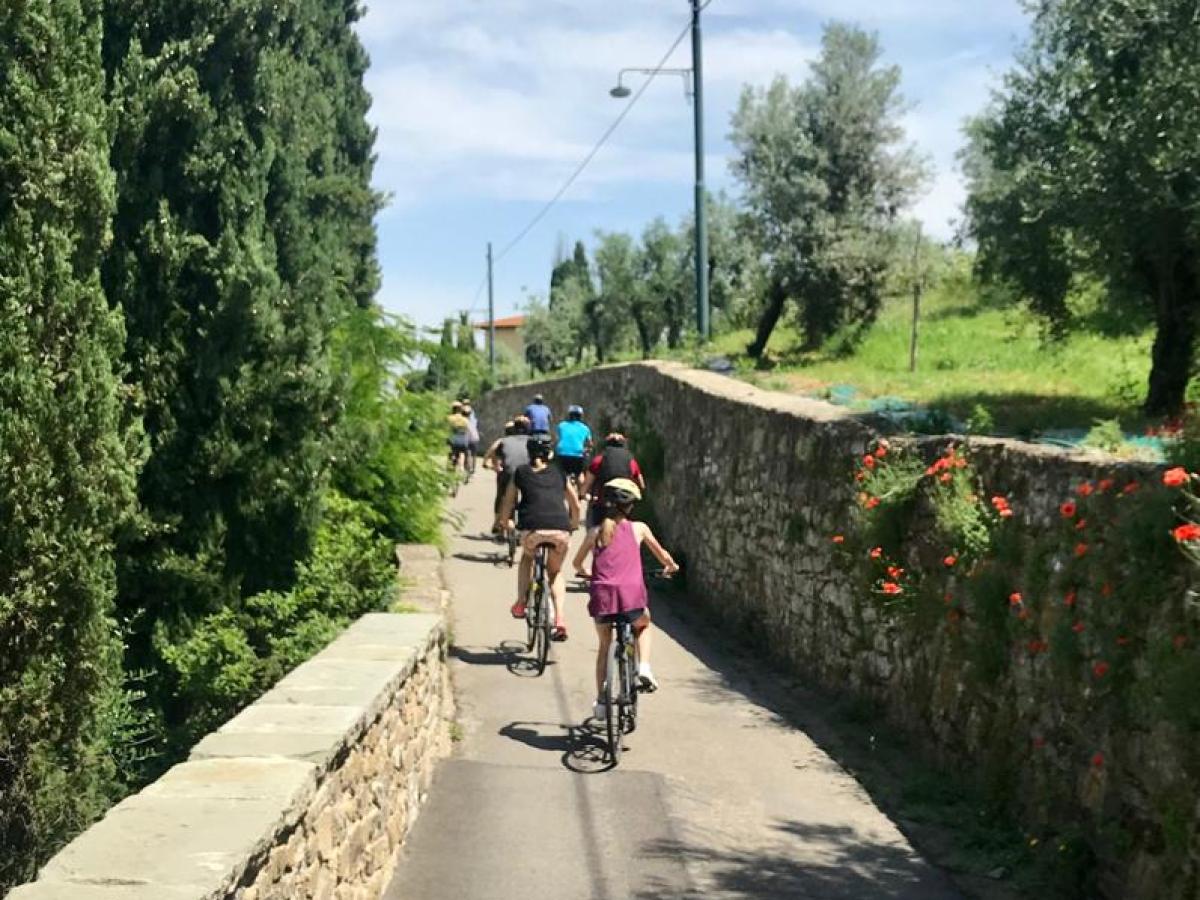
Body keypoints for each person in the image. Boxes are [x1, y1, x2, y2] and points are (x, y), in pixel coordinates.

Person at [572, 478, 678, 720]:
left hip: (602, 596)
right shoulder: (639, 529)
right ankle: (644, 667)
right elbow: (663, 556)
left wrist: (586, 572)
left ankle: (602, 702)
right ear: (630, 506)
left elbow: (577, 563)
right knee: (644, 625)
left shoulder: (595, 532)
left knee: (604, 645)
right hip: (630, 595)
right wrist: (671, 566)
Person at [495, 434, 580, 640]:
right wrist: (574, 523)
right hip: (559, 529)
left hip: (532, 528)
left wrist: (504, 521)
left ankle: (521, 603)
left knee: (527, 558)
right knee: (555, 571)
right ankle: (559, 618)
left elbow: (508, 501)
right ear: (549, 453)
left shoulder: (521, 472)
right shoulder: (560, 473)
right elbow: (575, 503)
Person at [579, 433, 646, 526]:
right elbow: (641, 485)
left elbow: (587, 483)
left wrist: (582, 495)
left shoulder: (599, 459)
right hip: (624, 504)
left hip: (603, 502)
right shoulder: (631, 461)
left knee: (596, 529)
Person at [483, 415, 530, 516]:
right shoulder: (531, 441)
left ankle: (498, 517)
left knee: (501, 494)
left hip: (508, 473)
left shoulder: (503, 441)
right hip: (526, 473)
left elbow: (493, 452)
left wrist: (494, 466)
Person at [555, 405, 593, 489]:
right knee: (579, 474)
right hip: (578, 454)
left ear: (569, 415)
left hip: (563, 454)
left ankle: (562, 490)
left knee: (562, 474)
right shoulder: (585, 428)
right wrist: (586, 451)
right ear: (580, 416)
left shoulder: (561, 425)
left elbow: (557, 440)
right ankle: (582, 493)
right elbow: (590, 444)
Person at [446, 401, 471, 478]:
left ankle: (450, 473)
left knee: (451, 455)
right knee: (466, 454)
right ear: (460, 409)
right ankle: (466, 469)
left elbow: (447, 430)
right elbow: (467, 431)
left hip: (453, 441)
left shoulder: (449, 418)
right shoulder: (465, 419)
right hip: (463, 441)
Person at [461, 399, 481, 473]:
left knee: (467, 453)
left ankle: (467, 468)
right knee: (474, 454)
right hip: (475, 437)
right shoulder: (473, 415)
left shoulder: (463, 419)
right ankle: (473, 469)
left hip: (468, 438)